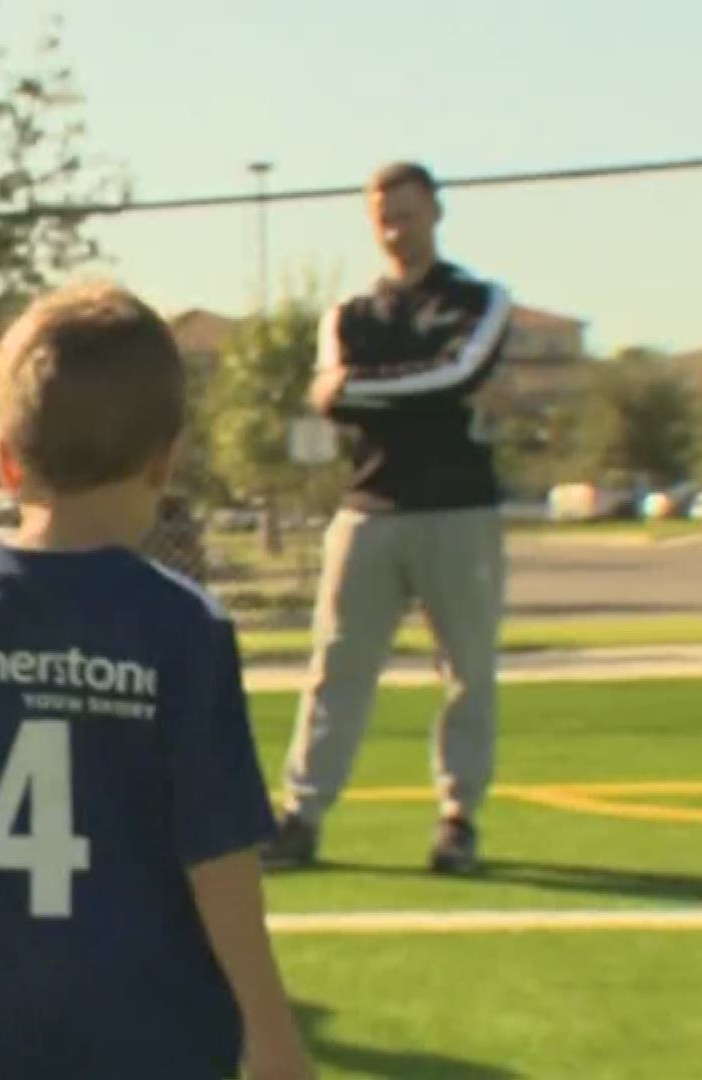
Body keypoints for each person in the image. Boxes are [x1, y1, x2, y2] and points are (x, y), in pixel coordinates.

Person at [0, 281, 311, 1080]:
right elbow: (218, 857)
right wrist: (271, 1031)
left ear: (4, 461)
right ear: (164, 461)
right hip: (150, 1038)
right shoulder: (183, 626)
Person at [264, 161, 513, 875]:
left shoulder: (479, 299)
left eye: (408, 212)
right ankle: (301, 817)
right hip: (369, 512)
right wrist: (411, 389)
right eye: (384, 216)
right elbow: (328, 396)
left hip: (460, 512)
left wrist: (370, 389)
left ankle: (458, 820)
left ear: (436, 211)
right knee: (336, 667)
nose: (397, 228)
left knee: (467, 670)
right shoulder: (349, 314)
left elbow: (460, 372)